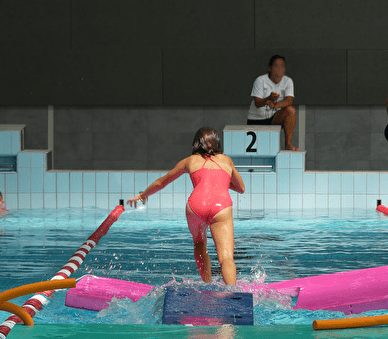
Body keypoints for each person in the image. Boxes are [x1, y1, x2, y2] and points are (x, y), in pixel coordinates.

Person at [127, 128, 245, 285]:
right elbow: (241, 188)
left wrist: (142, 196)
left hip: (196, 206)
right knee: (226, 257)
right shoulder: (226, 160)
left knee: (199, 242)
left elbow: (162, 182)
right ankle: (233, 293)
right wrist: (220, 180)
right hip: (221, 206)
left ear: (196, 143)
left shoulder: (189, 160)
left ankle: (207, 284)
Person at [247, 55, 299, 151]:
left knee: (291, 110)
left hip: (273, 119)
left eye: (282, 66)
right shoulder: (260, 80)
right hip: (257, 120)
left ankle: (288, 144)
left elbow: (289, 101)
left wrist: (275, 104)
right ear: (269, 68)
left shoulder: (288, 81)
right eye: (276, 66)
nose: (279, 68)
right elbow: (257, 103)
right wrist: (269, 98)